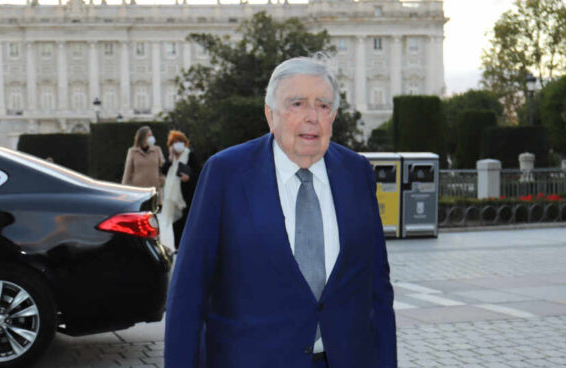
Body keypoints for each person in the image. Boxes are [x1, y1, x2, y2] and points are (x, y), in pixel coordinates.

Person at [165, 56, 397, 367]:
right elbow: (188, 291)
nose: (311, 117)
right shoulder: (226, 173)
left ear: (334, 116)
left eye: (323, 105)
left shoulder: (357, 173)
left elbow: (378, 288)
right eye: (297, 104)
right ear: (270, 115)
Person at [159, 130, 198, 251]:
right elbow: (163, 171)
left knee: (187, 221)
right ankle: (178, 246)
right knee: (176, 222)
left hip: (186, 195)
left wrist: (189, 177)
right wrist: (170, 159)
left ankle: (188, 245)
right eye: (174, 143)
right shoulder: (172, 158)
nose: (178, 145)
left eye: (180, 142)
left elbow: (198, 171)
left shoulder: (190, 155)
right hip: (173, 196)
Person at [122, 126, 165, 193]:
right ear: (142, 137)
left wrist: (161, 180)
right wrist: (123, 188)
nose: (151, 137)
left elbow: (163, 167)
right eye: (149, 135)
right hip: (138, 189)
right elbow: (127, 171)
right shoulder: (132, 151)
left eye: (151, 135)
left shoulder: (157, 150)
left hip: (154, 188)